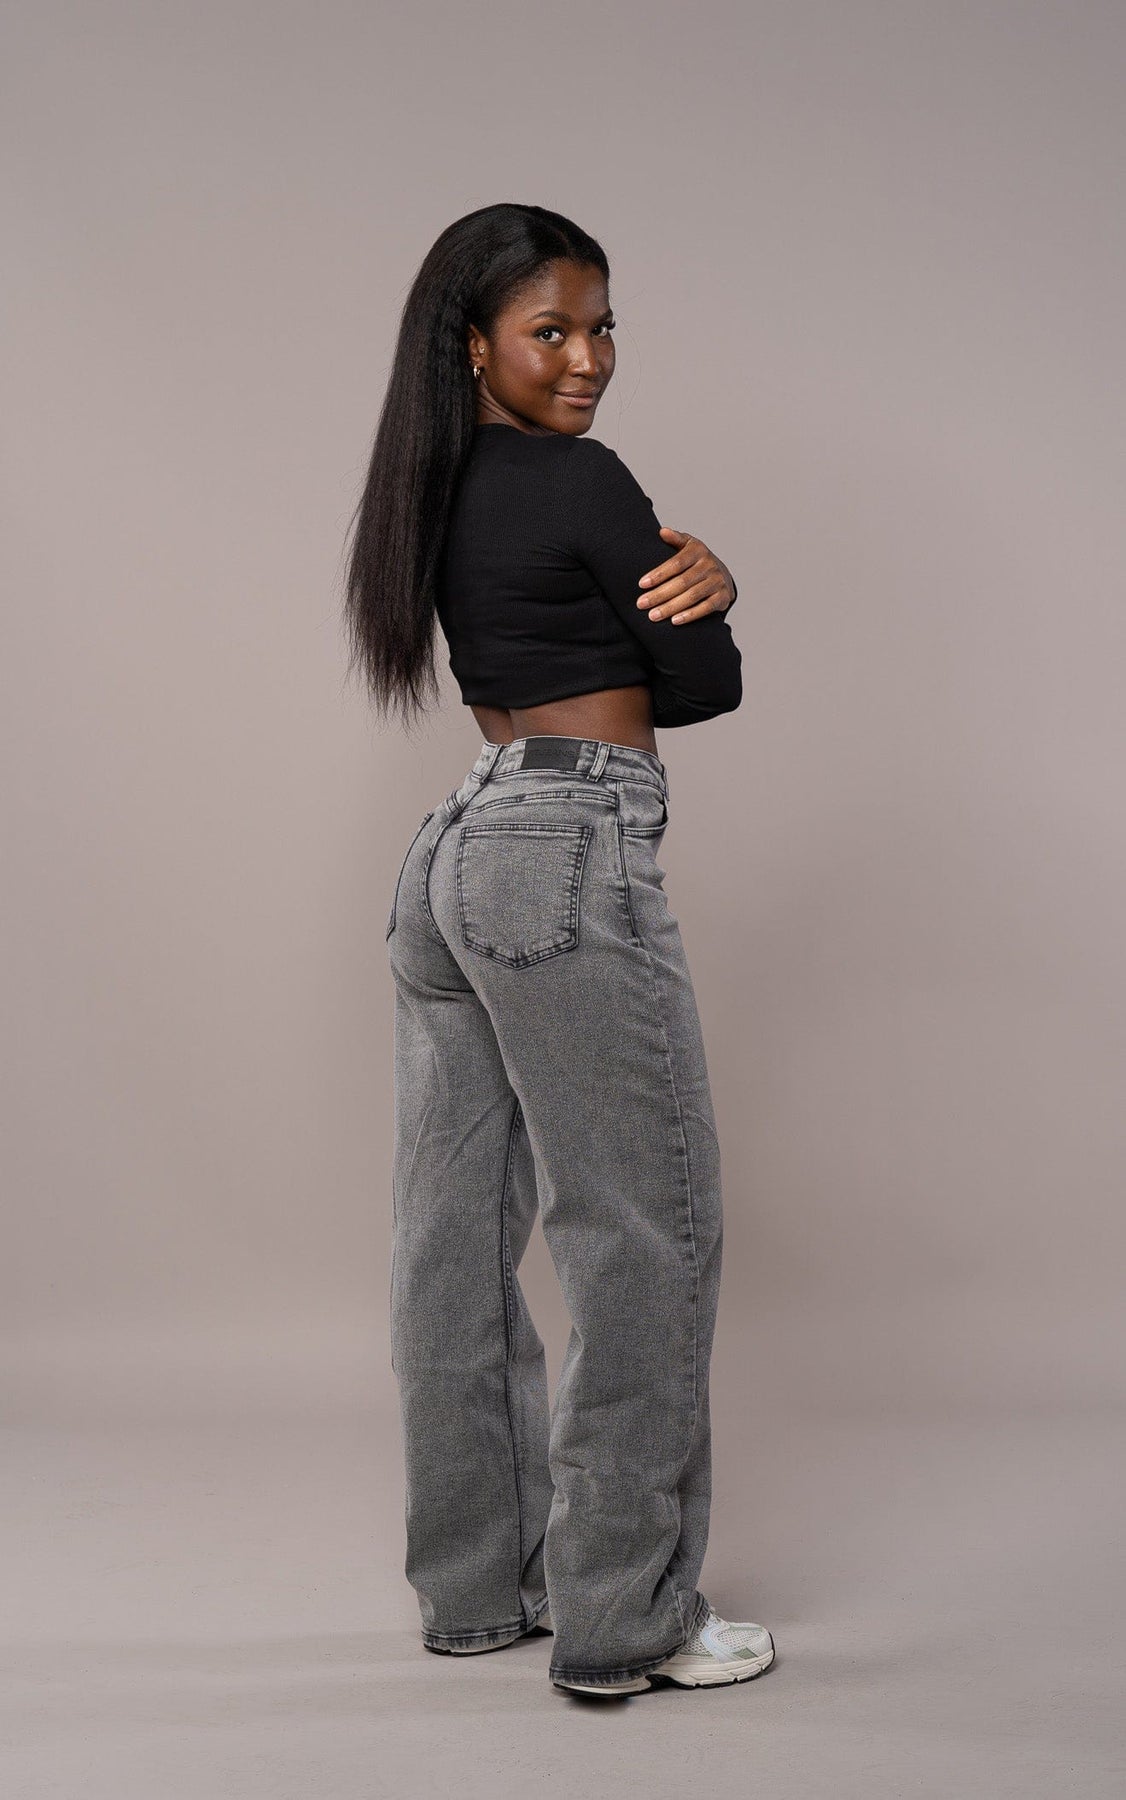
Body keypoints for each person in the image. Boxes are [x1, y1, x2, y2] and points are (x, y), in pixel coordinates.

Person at [343, 203, 776, 1697]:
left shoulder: (429, 487)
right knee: (641, 1231)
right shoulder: (582, 480)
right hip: (568, 844)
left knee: (452, 1242)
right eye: (551, 331)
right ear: (475, 344)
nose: (586, 359)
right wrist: (714, 586)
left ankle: (477, 1592)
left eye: (601, 330)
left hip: (456, 851)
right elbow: (701, 680)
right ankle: (624, 1618)